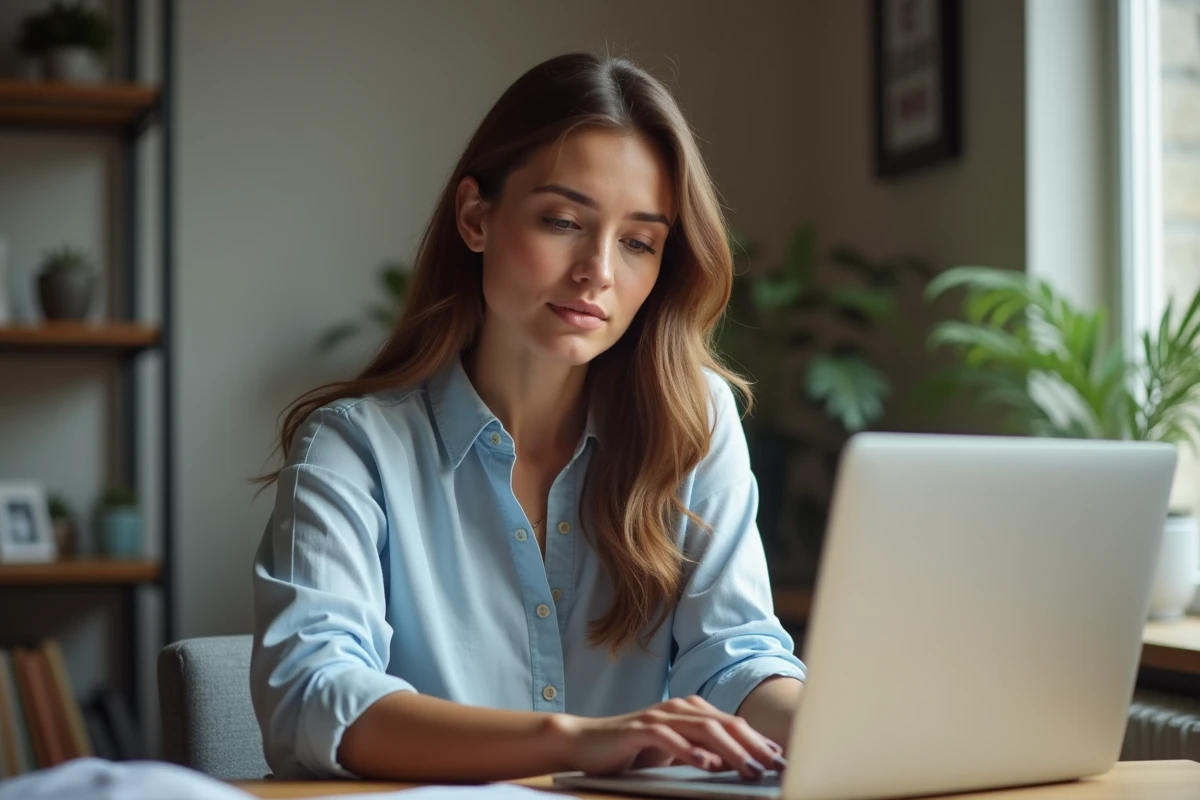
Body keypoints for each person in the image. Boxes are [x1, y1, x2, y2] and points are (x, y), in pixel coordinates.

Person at [250, 51, 806, 783]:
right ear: (475, 218)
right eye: (563, 221)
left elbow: (736, 657)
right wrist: (575, 740)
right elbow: (313, 698)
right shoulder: (354, 448)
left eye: (638, 241)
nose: (598, 271)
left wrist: (846, 731)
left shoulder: (693, 421)